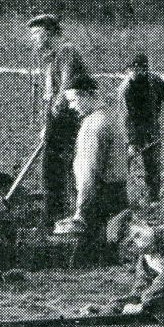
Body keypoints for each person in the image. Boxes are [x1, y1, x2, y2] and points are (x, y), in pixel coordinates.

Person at [29, 14, 91, 233]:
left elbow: (64, 88)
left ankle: (56, 218)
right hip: (58, 119)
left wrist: (52, 120)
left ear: (48, 32)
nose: (33, 38)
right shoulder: (52, 56)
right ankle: (57, 215)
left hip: (65, 120)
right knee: (55, 169)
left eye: (37, 33)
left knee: (55, 169)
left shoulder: (66, 51)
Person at [55, 75, 128, 240]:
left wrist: (81, 212)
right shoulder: (110, 117)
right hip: (119, 193)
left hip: (99, 197)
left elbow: (89, 172)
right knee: (116, 241)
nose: (72, 107)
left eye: (73, 100)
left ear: (86, 95)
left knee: (91, 253)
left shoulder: (93, 126)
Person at [118, 53, 164, 203]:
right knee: (122, 166)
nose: (134, 73)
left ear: (144, 69)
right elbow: (125, 118)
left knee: (153, 166)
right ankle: (120, 200)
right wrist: (132, 142)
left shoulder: (155, 81)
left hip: (151, 128)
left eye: (139, 69)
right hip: (131, 130)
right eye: (131, 70)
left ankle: (153, 199)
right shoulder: (125, 89)